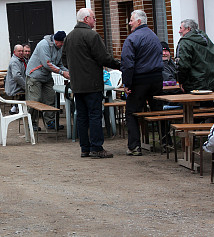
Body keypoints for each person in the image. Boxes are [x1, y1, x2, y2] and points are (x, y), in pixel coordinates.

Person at [61, 8, 120, 158]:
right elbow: (103, 58)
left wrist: (76, 70)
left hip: (77, 85)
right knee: (94, 115)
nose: (95, 20)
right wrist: (120, 64)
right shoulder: (92, 35)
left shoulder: (69, 37)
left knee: (81, 116)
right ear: (86, 19)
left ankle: (85, 148)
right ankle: (96, 148)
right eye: (93, 18)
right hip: (92, 84)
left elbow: (63, 60)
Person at [121, 10, 163, 156]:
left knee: (131, 112)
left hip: (139, 81)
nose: (129, 23)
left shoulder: (132, 39)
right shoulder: (154, 36)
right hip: (157, 79)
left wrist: (127, 84)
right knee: (158, 111)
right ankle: (165, 142)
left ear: (139, 21)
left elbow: (127, 64)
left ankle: (134, 146)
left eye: (131, 20)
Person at [26, 31, 70, 131]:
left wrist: (68, 72)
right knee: (35, 100)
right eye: (61, 43)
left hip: (46, 77)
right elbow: (47, 64)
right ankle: (31, 123)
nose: (62, 45)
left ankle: (50, 122)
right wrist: (62, 73)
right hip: (34, 76)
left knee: (51, 98)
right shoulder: (43, 45)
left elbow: (59, 64)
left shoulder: (59, 47)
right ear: (56, 40)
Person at [176, 19, 214, 93]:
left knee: (193, 104)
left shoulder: (185, 42)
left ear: (188, 28)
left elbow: (183, 65)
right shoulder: (207, 41)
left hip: (195, 85)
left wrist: (180, 81)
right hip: (213, 84)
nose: (179, 31)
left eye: (181, 28)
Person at [5, 44, 26, 115]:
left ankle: (14, 108)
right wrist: (26, 86)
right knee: (32, 92)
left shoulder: (21, 60)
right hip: (14, 87)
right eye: (19, 51)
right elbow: (17, 77)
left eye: (22, 51)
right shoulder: (15, 61)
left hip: (17, 86)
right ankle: (28, 112)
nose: (21, 53)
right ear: (14, 52)